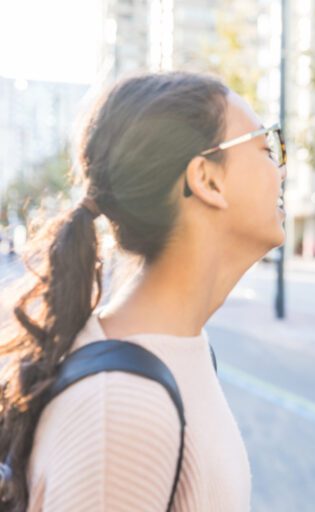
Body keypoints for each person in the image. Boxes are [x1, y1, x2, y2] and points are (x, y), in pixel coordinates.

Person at [0, 72, 286, 511]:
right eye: (267, 146)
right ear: (207, 179)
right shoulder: (118, 408)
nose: (281, 167)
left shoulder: (181, 352)